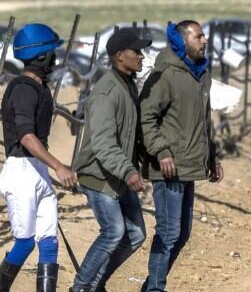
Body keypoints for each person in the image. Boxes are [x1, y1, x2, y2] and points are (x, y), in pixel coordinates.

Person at [140, 20, 223, 292]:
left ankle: (151, 285)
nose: (205, 41)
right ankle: (155, 288)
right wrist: (161, 151)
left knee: (182, 233)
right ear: (184, 40)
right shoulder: (165, 75)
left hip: (189, 165)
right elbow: (146, 117)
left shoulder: (201, 74)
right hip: (168, 167)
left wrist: (211, 155)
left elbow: (203, 120)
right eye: (199, 36)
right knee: (168, 232)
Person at [70, 28, 152, 292]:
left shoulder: (127, 85)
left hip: (117, 174)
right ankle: (80, 287)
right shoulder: (107, 91)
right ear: (120, 56)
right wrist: (129, 172)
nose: (141, 56)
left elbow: (130, 135)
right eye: (136, 51)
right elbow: (104, 143)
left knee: (137, 234)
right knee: (113, 232)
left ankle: (95, 283)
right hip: (99, 175)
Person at [0, 23, 77, 292]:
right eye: (52, 53)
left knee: (49, 240)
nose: (55, 58)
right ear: (42, 56)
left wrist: (48, 169)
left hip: (37, 169)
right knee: (24, 241)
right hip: (21, 170)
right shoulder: (22, 89)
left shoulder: (40, 87)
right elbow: (26, 136)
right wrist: (59, 166)